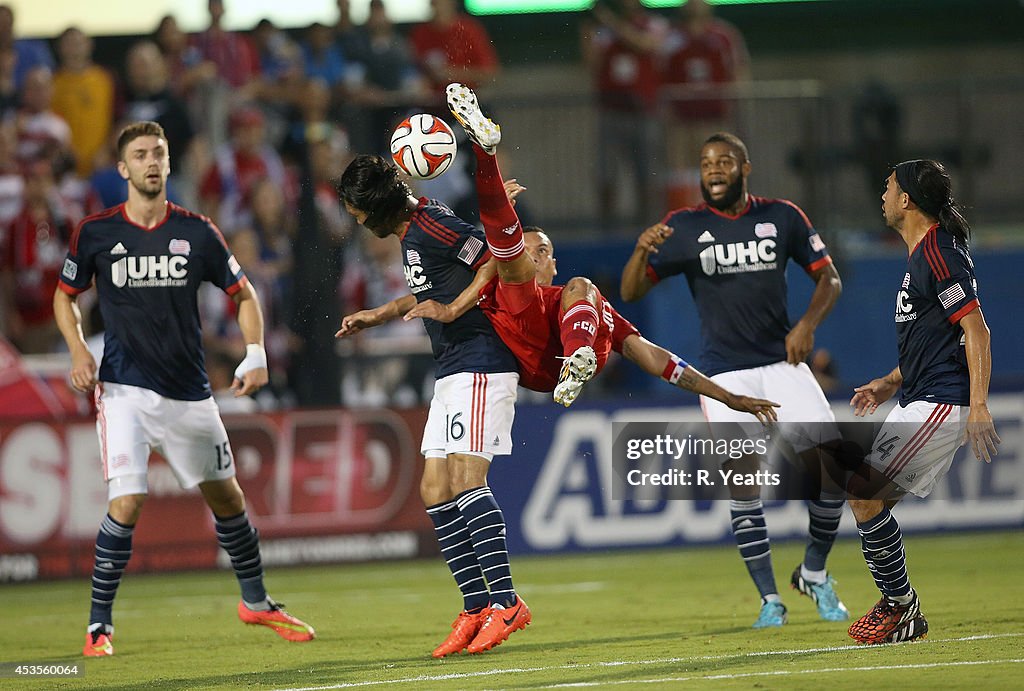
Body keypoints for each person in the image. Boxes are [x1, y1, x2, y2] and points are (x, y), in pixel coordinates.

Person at [52, 121, 314, 657]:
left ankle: (256, 603)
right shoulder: (97, 232)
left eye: (159, 153)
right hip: (125, 389)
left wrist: (257, 355)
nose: (152, 161)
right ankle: (98, 627)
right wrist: (80, 350)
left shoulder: (199, 232)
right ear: (122, 169)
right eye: (141, 154)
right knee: (128, 501)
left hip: (190, 392)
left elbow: (244, 296)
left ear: (169, 165)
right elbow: (65, 295)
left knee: (228, 496)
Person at [406, 83, 778, 424]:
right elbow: (424, 295)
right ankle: (484, 150)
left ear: (553, 264)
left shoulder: (579, 299)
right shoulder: (503, 281)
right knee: (504, 254)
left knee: (576, 285)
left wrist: (726, 396)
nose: (535, 257)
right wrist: (381, 314)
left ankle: (577, 357)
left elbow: (653, 357)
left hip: (566, 354)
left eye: (543, 251)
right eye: (531, 250)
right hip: (531, 351)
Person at [620, 132, 848, 628]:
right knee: (744, 486)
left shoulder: (783, 216)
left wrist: (806, 325)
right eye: (705, 164)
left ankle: (813, 571)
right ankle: (770, 599)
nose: (714, 170)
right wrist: (641, 250)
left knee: (835, 474)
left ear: (746, 167)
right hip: (724, 373)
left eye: (724, 161)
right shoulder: (682, 226)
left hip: (782, 364)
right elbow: (632, 291)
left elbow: (829, 278)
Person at [335, 154, 531, 658]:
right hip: (451, 368)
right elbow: (428, 291)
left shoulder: (433, 222)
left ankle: (506, 603)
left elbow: (496, 258)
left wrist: (454, 308)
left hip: (481, 361)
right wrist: (378, 314)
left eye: (356, 209)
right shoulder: (412, 232)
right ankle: (474, 606)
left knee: (467, 480)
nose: (354, 218)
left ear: (375, 205)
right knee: (434, 488)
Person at [845, 159, 998, 644]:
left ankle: (901, 608)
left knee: (862, 491)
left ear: (907, 199)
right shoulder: (924, 254)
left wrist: (978, 404)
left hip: (941, 401)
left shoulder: (939, 253)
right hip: (919, 394)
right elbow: (937, 336)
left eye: (889, 187)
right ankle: (901, 606)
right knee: (866, 496)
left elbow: (976, 329)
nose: (883, 195)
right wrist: (891, 381)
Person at [660, 0, 749, 208]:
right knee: (681, 169)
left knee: (717, 165)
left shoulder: (723, 35)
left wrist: (735, 103)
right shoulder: (672, 38)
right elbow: (659, 73)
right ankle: (685, 215)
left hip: (713, 118)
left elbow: (738, 71)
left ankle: (719, 211)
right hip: (681, 120)